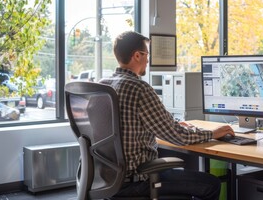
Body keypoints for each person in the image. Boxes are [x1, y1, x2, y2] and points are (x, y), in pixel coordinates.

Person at [99, 31, 235, 199]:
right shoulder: (139, 89)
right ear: (137, 55)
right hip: (137, 181)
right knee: (211, 184)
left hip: (106, 178)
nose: (148, 60)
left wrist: (175, 125)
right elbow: (178, 137)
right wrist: (213, 133)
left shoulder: (102, 86)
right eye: (147, 54)